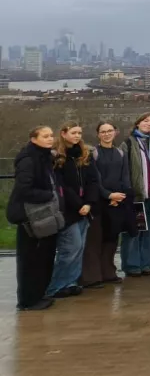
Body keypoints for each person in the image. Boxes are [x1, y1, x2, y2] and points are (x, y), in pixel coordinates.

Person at [8, 127, 60, 310]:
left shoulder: (45, 157)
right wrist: (47, 195)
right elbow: (24, 189)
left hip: (42, 213)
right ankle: (28, 299)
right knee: (30, 258)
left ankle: (38, 294)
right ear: (33, 139)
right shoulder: (28, 160)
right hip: (29, 215)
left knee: (43, 256)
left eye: (51, 136)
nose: (50, 139)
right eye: (45, 136)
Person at [44, 124, 99, 299]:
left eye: (79, 133)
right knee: (70, 247)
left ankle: (71, 282)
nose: (77, 136)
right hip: (68, 210)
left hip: (85, 208)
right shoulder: (56, 156)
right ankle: (56, 286)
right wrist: (78, 204)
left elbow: (93, 180)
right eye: (73, 133)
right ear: (63, 134)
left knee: (79, 246)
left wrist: (89, 203)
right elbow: (62, 186)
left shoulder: (84, 154)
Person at [120, 113, 150, 277]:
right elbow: (124, 168)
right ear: (138, 123)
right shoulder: (128, 143)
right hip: (137, 196)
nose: (148, 124)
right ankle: (132, 266)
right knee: (135, 232)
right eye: (145, 121)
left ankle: (147, 264)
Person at [82, 121, 130, 287]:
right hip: (98, 202)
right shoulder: (93, 153)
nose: (107, 134)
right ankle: (92, 277)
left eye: (110, 131)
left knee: (111, 238)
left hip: (116, 202)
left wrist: (119, 196)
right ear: (98, 134)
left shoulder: (120, 152)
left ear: (115, 133)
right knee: (95, 239)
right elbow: (95, 179)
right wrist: (108, 195)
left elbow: (125, 177)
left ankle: (108, 272)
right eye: (103, 131)